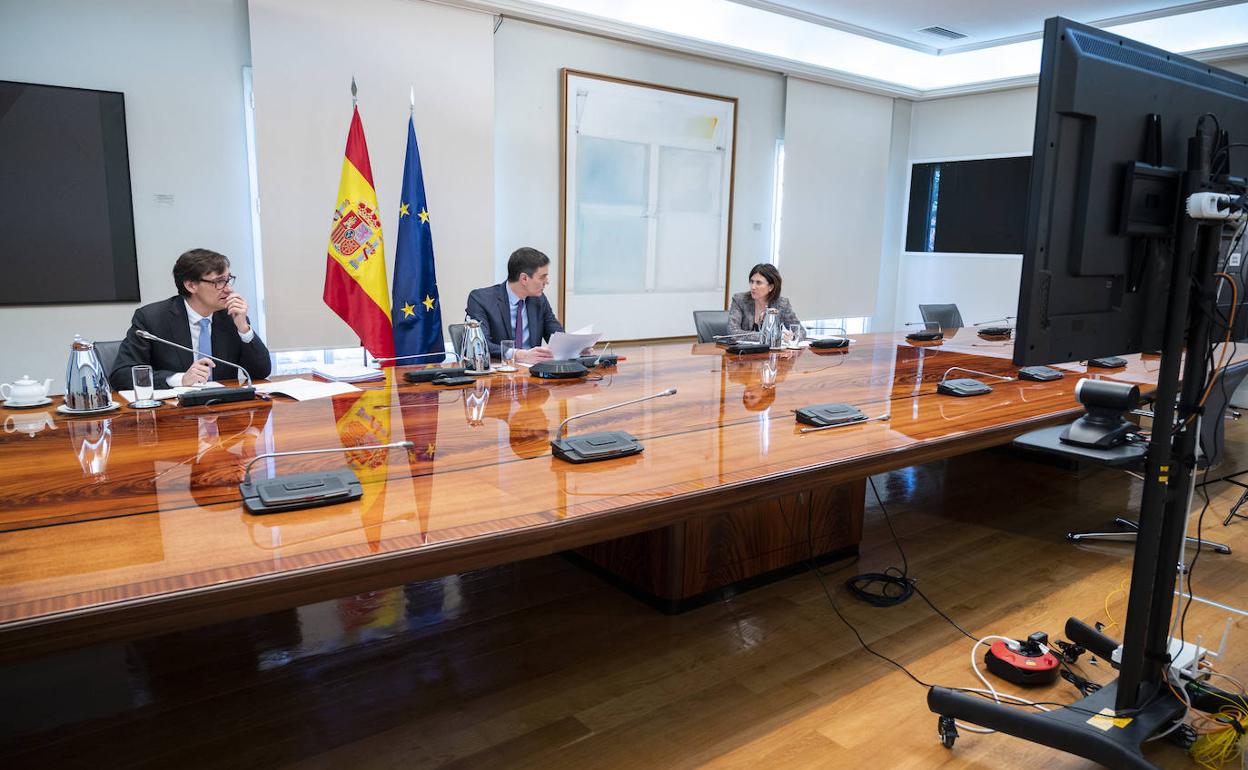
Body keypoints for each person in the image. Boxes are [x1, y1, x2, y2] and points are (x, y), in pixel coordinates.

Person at [108, 248, 272, 391]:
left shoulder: (232, 317)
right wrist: (180, 379)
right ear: (191, 285)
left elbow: (261, 372)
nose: (229, 289)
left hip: (224, 410)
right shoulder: (152, 319)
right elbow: (121, 375)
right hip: (174, 411)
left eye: (228, 280)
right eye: (219, 282)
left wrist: (244, 329)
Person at [465, 247, 565, 364]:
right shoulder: (481, 299)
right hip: (499, 369)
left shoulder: (539, 300)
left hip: (533, 371)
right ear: (524, 278)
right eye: (542, 277)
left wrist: (575, 348)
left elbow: (557, 336)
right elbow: (480, 344)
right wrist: (518, 355)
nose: (547, 281)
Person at [727, 263, 802, 336]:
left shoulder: (782, 304)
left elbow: (800, 331)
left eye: (758, 283)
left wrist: (792, 337)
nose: (753, 287)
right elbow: (732, 332)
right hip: (742, 345)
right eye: (751, 281)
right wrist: (768, 337)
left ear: (771, 287)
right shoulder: (740, 300)